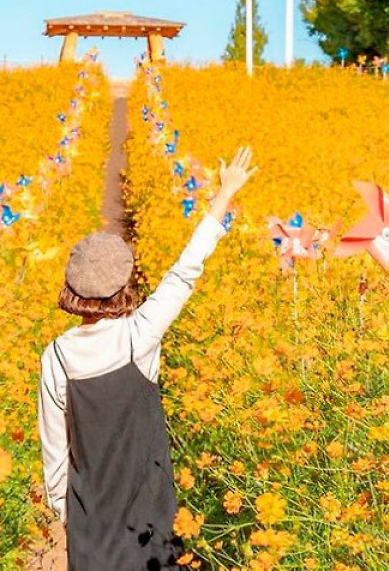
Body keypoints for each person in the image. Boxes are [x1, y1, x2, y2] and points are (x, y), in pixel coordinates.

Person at [38, 147, 257, 570]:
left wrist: (71, 517)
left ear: (71, 289)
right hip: (149, 517)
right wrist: (224, 195)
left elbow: (55, 453)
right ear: (124, 285)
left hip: (91, 525)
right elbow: (184, 272)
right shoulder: (139, 335)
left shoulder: (57, 356)